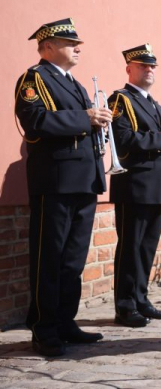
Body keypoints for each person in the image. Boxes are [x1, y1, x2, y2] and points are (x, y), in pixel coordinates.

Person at [14, 18, 111, 356]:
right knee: (49, 258)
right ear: (48, 46)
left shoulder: (75, 83)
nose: (78, 48)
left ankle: (65, 322)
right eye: (71, 43)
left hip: (83, 179)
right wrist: (86, 117)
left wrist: (96, 120)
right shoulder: (34, 78)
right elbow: (34, 121)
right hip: (55, 181)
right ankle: (43, 328)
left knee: (72, 259)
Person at [107, 44, 161, 327]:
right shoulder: (120, 100)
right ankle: (125, 306)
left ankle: (140, 299)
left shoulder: (154, 103)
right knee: (130, 247)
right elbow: (123, 140)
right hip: (134, 186)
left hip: (157, 186)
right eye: (142, 66)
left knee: (146, 248)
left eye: (152, 66)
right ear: (129, 69)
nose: (149, 70)